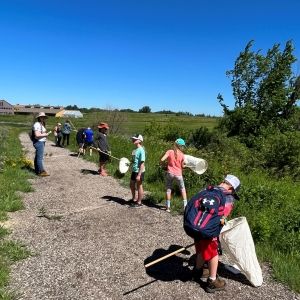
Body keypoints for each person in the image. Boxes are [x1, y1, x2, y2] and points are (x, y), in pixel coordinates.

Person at [192, 174, 241, 293]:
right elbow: (222, 217)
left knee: (200, 249)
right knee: (213, 253)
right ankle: (212, 281)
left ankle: (198, 270)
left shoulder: (207, 189)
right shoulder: (228, 197)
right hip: (209, 230)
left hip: (195, 226)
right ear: (231, 189)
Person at [160, 138, 187, 212]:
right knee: (182, 189)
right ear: (181, 146)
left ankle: (168, 208)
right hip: (178, 174)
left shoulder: (169, 151)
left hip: (170, 173)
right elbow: (183, 166)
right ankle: (185, 207)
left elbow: (162, 160)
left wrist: (164, 166)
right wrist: (186, 166)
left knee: (168, 189)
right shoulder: (182, 155)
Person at [32, 112, 52, 176]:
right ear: (39, 118)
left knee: (37, 156)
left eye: (44, 117)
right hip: (39, 142)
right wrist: (46, 134)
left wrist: (45, 135)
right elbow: (37, 135)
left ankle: (37, 170)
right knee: (40, 158)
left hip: (41, 142)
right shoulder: (37, 124)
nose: (43, 118)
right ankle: (41, 171)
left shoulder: (41, 124)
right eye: (42, 117)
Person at [129, 134, 146, 208]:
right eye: (133, 139)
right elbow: (135, 161)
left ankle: (139, 202)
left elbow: (142, 163)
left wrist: (139, 175)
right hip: (134, 170)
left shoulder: (141, 150)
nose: (133, 140)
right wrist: (130, 163)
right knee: (131, 184)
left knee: (139, 186)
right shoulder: (136, 150)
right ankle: (134, 199)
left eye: (135, 139)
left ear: (140, 141)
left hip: (139, 171)